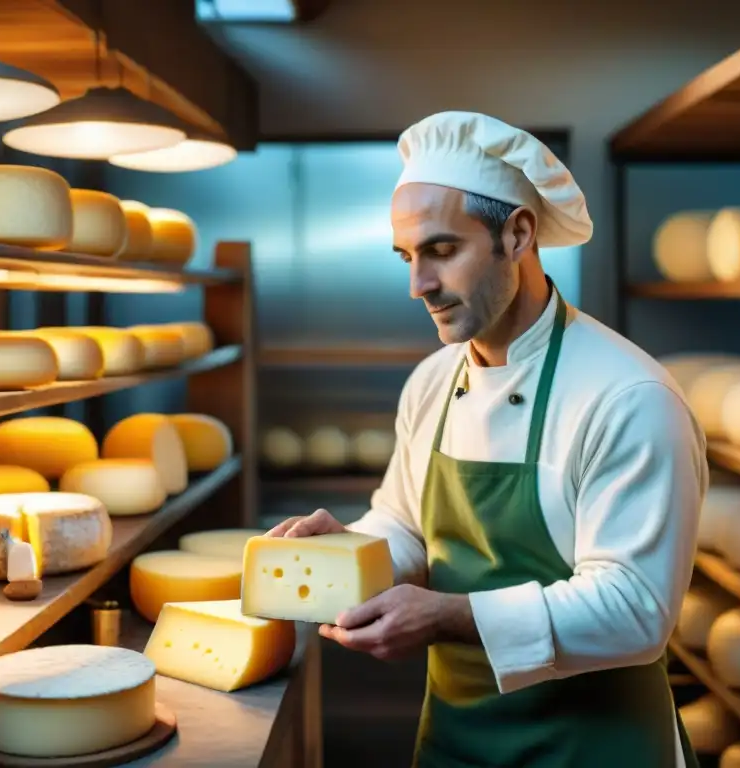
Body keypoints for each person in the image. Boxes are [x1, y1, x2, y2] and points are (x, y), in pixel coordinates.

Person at [267, 111, 708, 768]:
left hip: (596, 747)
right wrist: (352, 553)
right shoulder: (432, 382)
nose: (419, 286)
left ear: (518, 235)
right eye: (407, 257)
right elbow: (408, 524)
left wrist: (446, 616)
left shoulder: (628, 397)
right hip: (457, 742)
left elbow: (634, 610)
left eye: (442, 251)